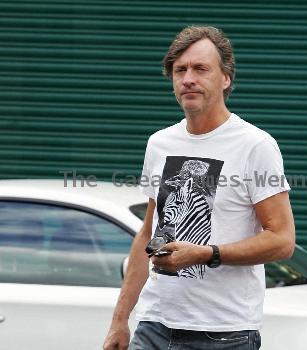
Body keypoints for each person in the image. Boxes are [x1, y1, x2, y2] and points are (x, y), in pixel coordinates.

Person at [103, 25, 295, 350]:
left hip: (224, 334)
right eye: (180, 70)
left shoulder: (255, 146)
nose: (188, 78)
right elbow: (148, 233)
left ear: (225, 78)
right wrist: (120, 319)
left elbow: (282, 240)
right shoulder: (160, 143)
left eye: (200, 68)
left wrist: (206, 254)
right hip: (154, 326)